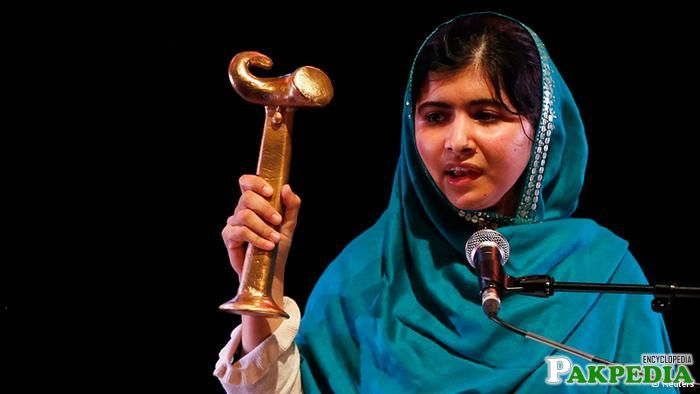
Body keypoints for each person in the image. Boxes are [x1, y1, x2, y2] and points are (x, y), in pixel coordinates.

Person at [214, 12, 676, 393]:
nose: (457, 141)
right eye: (435, 116)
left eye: (487, 115)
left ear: (541, 131)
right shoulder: (367, 275)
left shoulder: (605, 276)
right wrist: (264, 285)